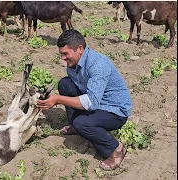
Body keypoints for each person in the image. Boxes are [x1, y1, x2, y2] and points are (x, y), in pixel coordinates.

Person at [37, 29, 132, 171]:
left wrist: (58, 99)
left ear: (80, 49)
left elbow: (92, 102)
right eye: (61, 54)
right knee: (65, 84)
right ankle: (76, 126)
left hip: (115, 110)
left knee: (82, 123)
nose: (62, 58)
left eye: (65, 53)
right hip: (97, 101)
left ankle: (115, 149)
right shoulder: (73, 66)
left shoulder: (97, 64)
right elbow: (84, 93)